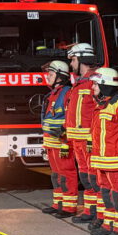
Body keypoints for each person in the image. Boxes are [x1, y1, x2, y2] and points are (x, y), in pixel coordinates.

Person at [88, 67, 118, 235]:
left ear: (105, 85)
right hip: (103, 161)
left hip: (116, 160)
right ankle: (109, 224)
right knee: (107, 195)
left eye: (95, 84)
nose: (93, 88)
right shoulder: (103, 105)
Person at [64, 43, 101, 226]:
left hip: (89, 140)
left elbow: (99, 112)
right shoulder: (79, 84)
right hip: (77, 139)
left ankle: (101, 216)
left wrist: (91, 137)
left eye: (73, 60)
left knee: (95, 178)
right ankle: (90, 210)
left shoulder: (95, 82)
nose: (71, 64)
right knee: (86, 178)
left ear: (82, 59)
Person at [39, 60, 78, 217]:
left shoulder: (67, 92)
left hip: (62, 142)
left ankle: (69, 207)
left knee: (66, 173)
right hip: (51, 142)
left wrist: (65, 135)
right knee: (56, 174)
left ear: (60, 77)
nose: (47, 77)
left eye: (51, 74)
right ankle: (59, 203)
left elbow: (71, 116)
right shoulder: (53, 94)